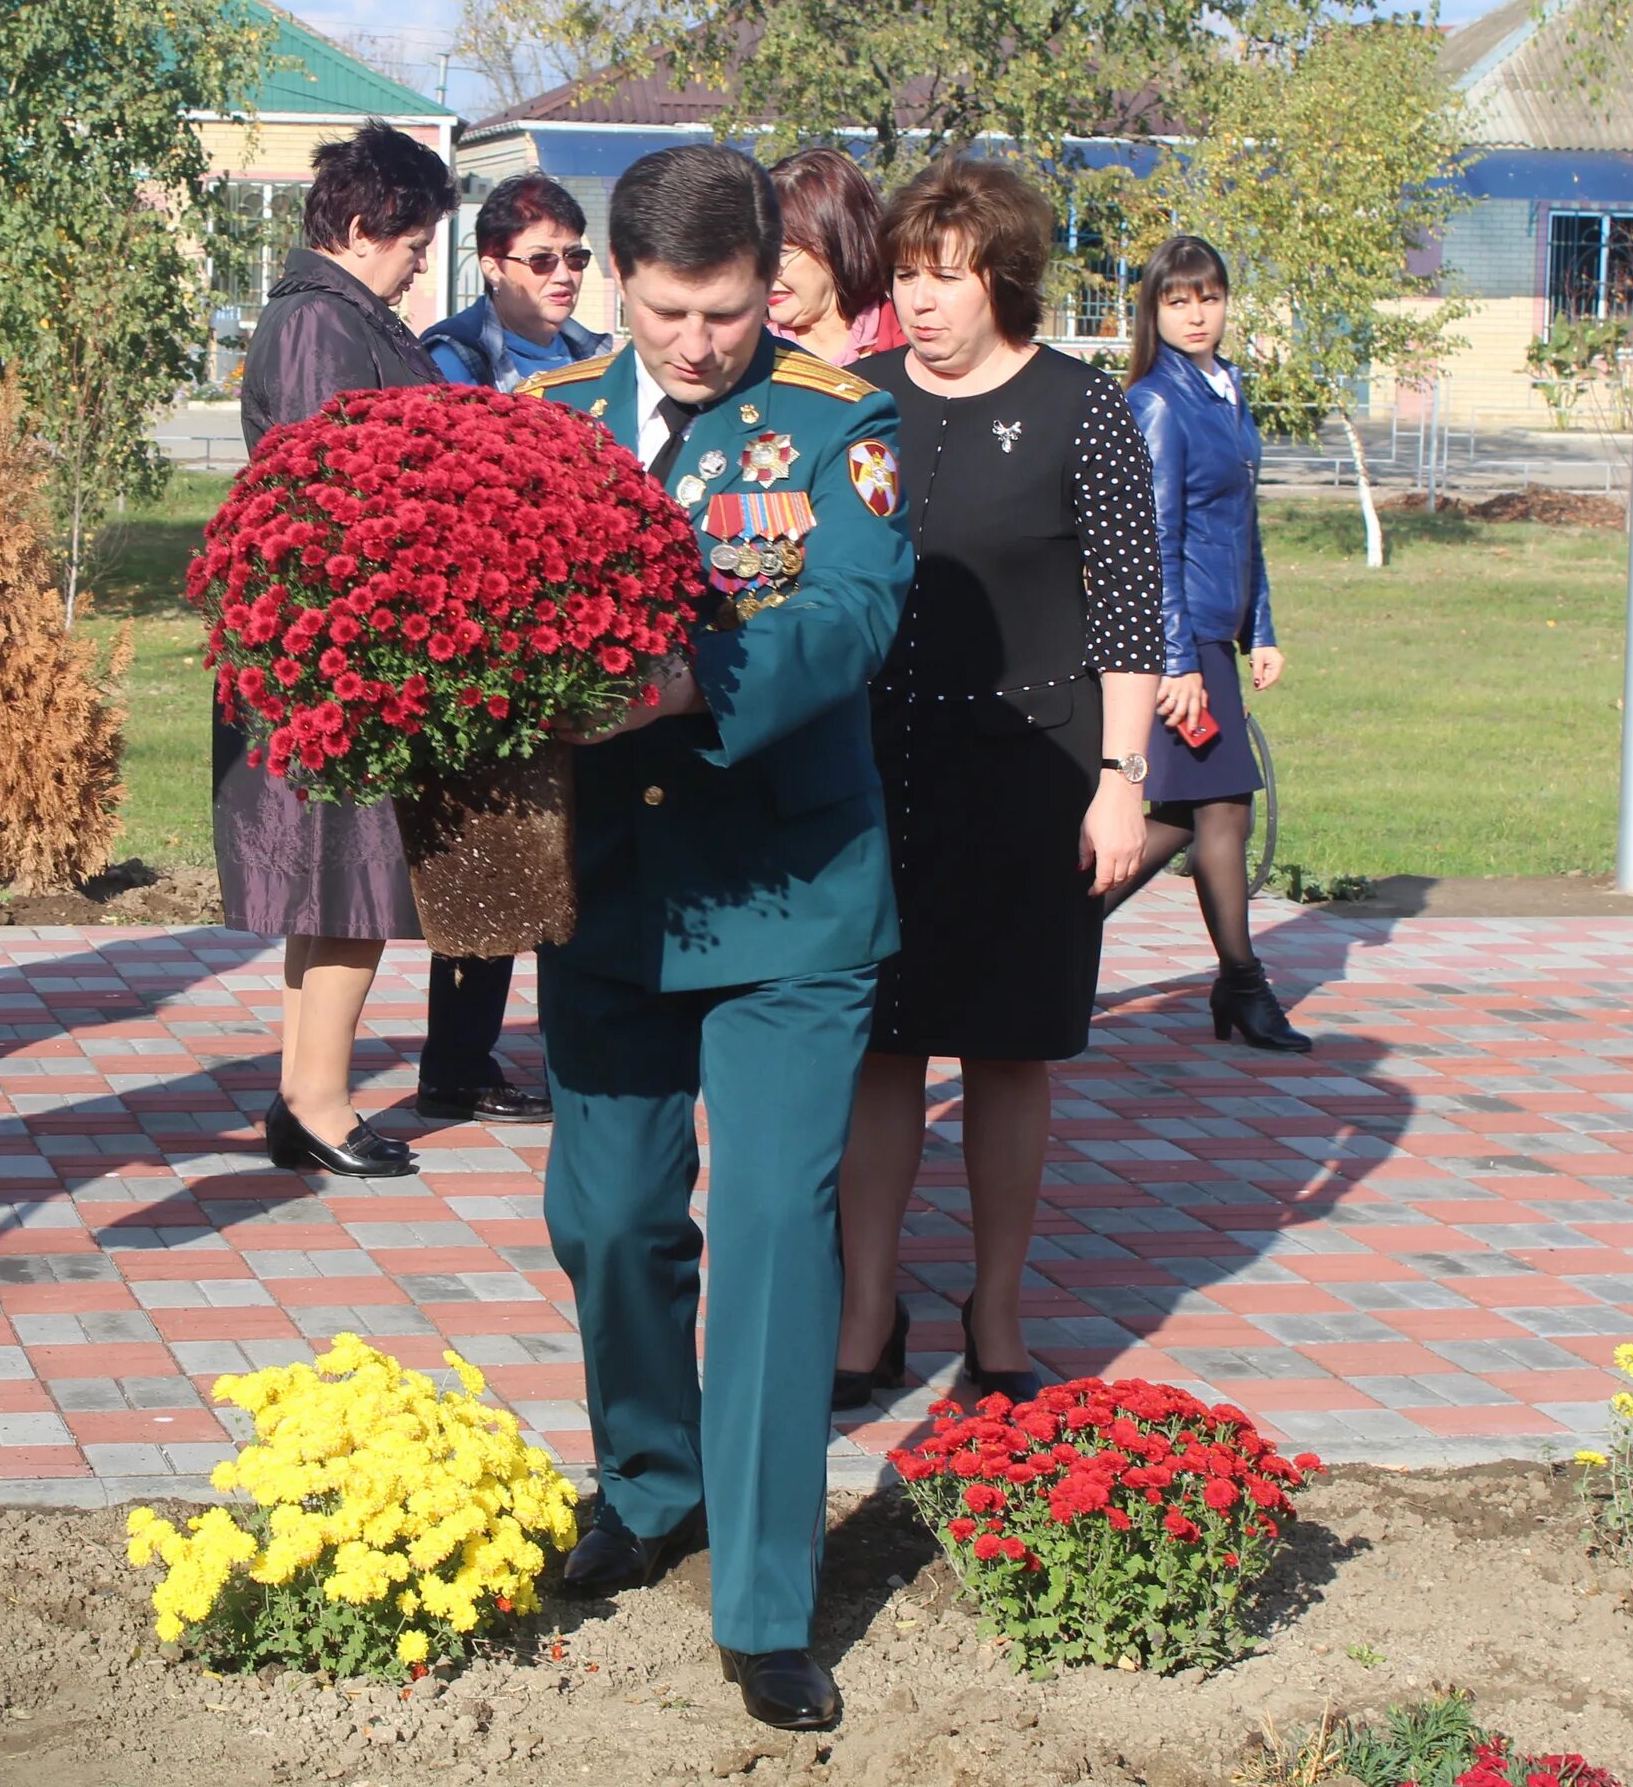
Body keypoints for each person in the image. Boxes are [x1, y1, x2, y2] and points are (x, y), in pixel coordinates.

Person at [518, 143, 910, 1732]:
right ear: (618, 284)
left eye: (729, 311)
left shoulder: (838, 424)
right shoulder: (542, 429)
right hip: (608, 893)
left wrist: (683, 682)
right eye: (670, 312)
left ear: (774, 279)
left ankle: (762, 1602)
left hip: (793, 897)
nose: (698, 343)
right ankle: (651, 1481)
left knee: (764, 1230)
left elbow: (853, 613)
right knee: (608, 1222)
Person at [831, 155, 1162, 1416]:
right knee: (881, 1046)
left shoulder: (1083, 409)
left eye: (945, 277)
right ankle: (867, 1305)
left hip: (1034, 770)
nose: (919, 301)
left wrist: (1123, 778)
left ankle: (999, 1302)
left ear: (1003, 278)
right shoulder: (856, 399)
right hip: (875, 769)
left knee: (1011, 1049)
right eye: (906, 275)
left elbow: (1133, 611)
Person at [220, 121, 550, 1181]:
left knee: (339, 893)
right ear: (365, 229)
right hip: (344, 654)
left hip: (346, 649)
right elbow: (335, 490)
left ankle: (304, 1096)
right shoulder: (322, 322)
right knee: (350, 890)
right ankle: (316, 1101)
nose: (418, 272)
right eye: (413, 249)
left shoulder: (331, 312)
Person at [1103, 236, 1307, 1050]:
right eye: (1179, 299)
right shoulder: (1157, 401)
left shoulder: (1226, 391)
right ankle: (1245, 985)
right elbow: (1153, 539)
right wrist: (1178, 661)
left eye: (1210, 297)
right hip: (1177, 642)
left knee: (1195, 815)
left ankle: (1050, 921)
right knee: (1221, 805)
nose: (1197, 313)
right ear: (1153, 310)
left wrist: (1261, 629)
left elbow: (1241, 523)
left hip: (1215, 638)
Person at [421, 172, 608, 390]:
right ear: (493, 270)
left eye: (575, 257)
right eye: (541, 260)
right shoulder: (454, 359)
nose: (564, 276)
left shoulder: (598, 355)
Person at [765, 147, 904, 368]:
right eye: (758, 253)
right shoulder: (743, 358)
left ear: (837, 245)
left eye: (781, 252)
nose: (764, 270)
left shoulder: (912, 341)